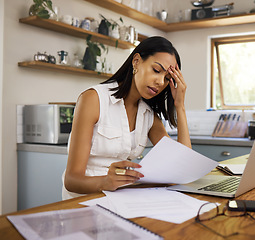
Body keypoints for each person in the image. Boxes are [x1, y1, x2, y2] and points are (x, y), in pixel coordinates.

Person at [62, 36, 191, 199]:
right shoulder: (94, 99)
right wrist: (105, 182)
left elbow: (183, 165)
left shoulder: (148, 114)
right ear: (136, 61)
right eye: (156, 70)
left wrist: (180, 106)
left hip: (121, 199)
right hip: (83, 201)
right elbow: (71, 180)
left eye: (167, 79)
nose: (160, 81)